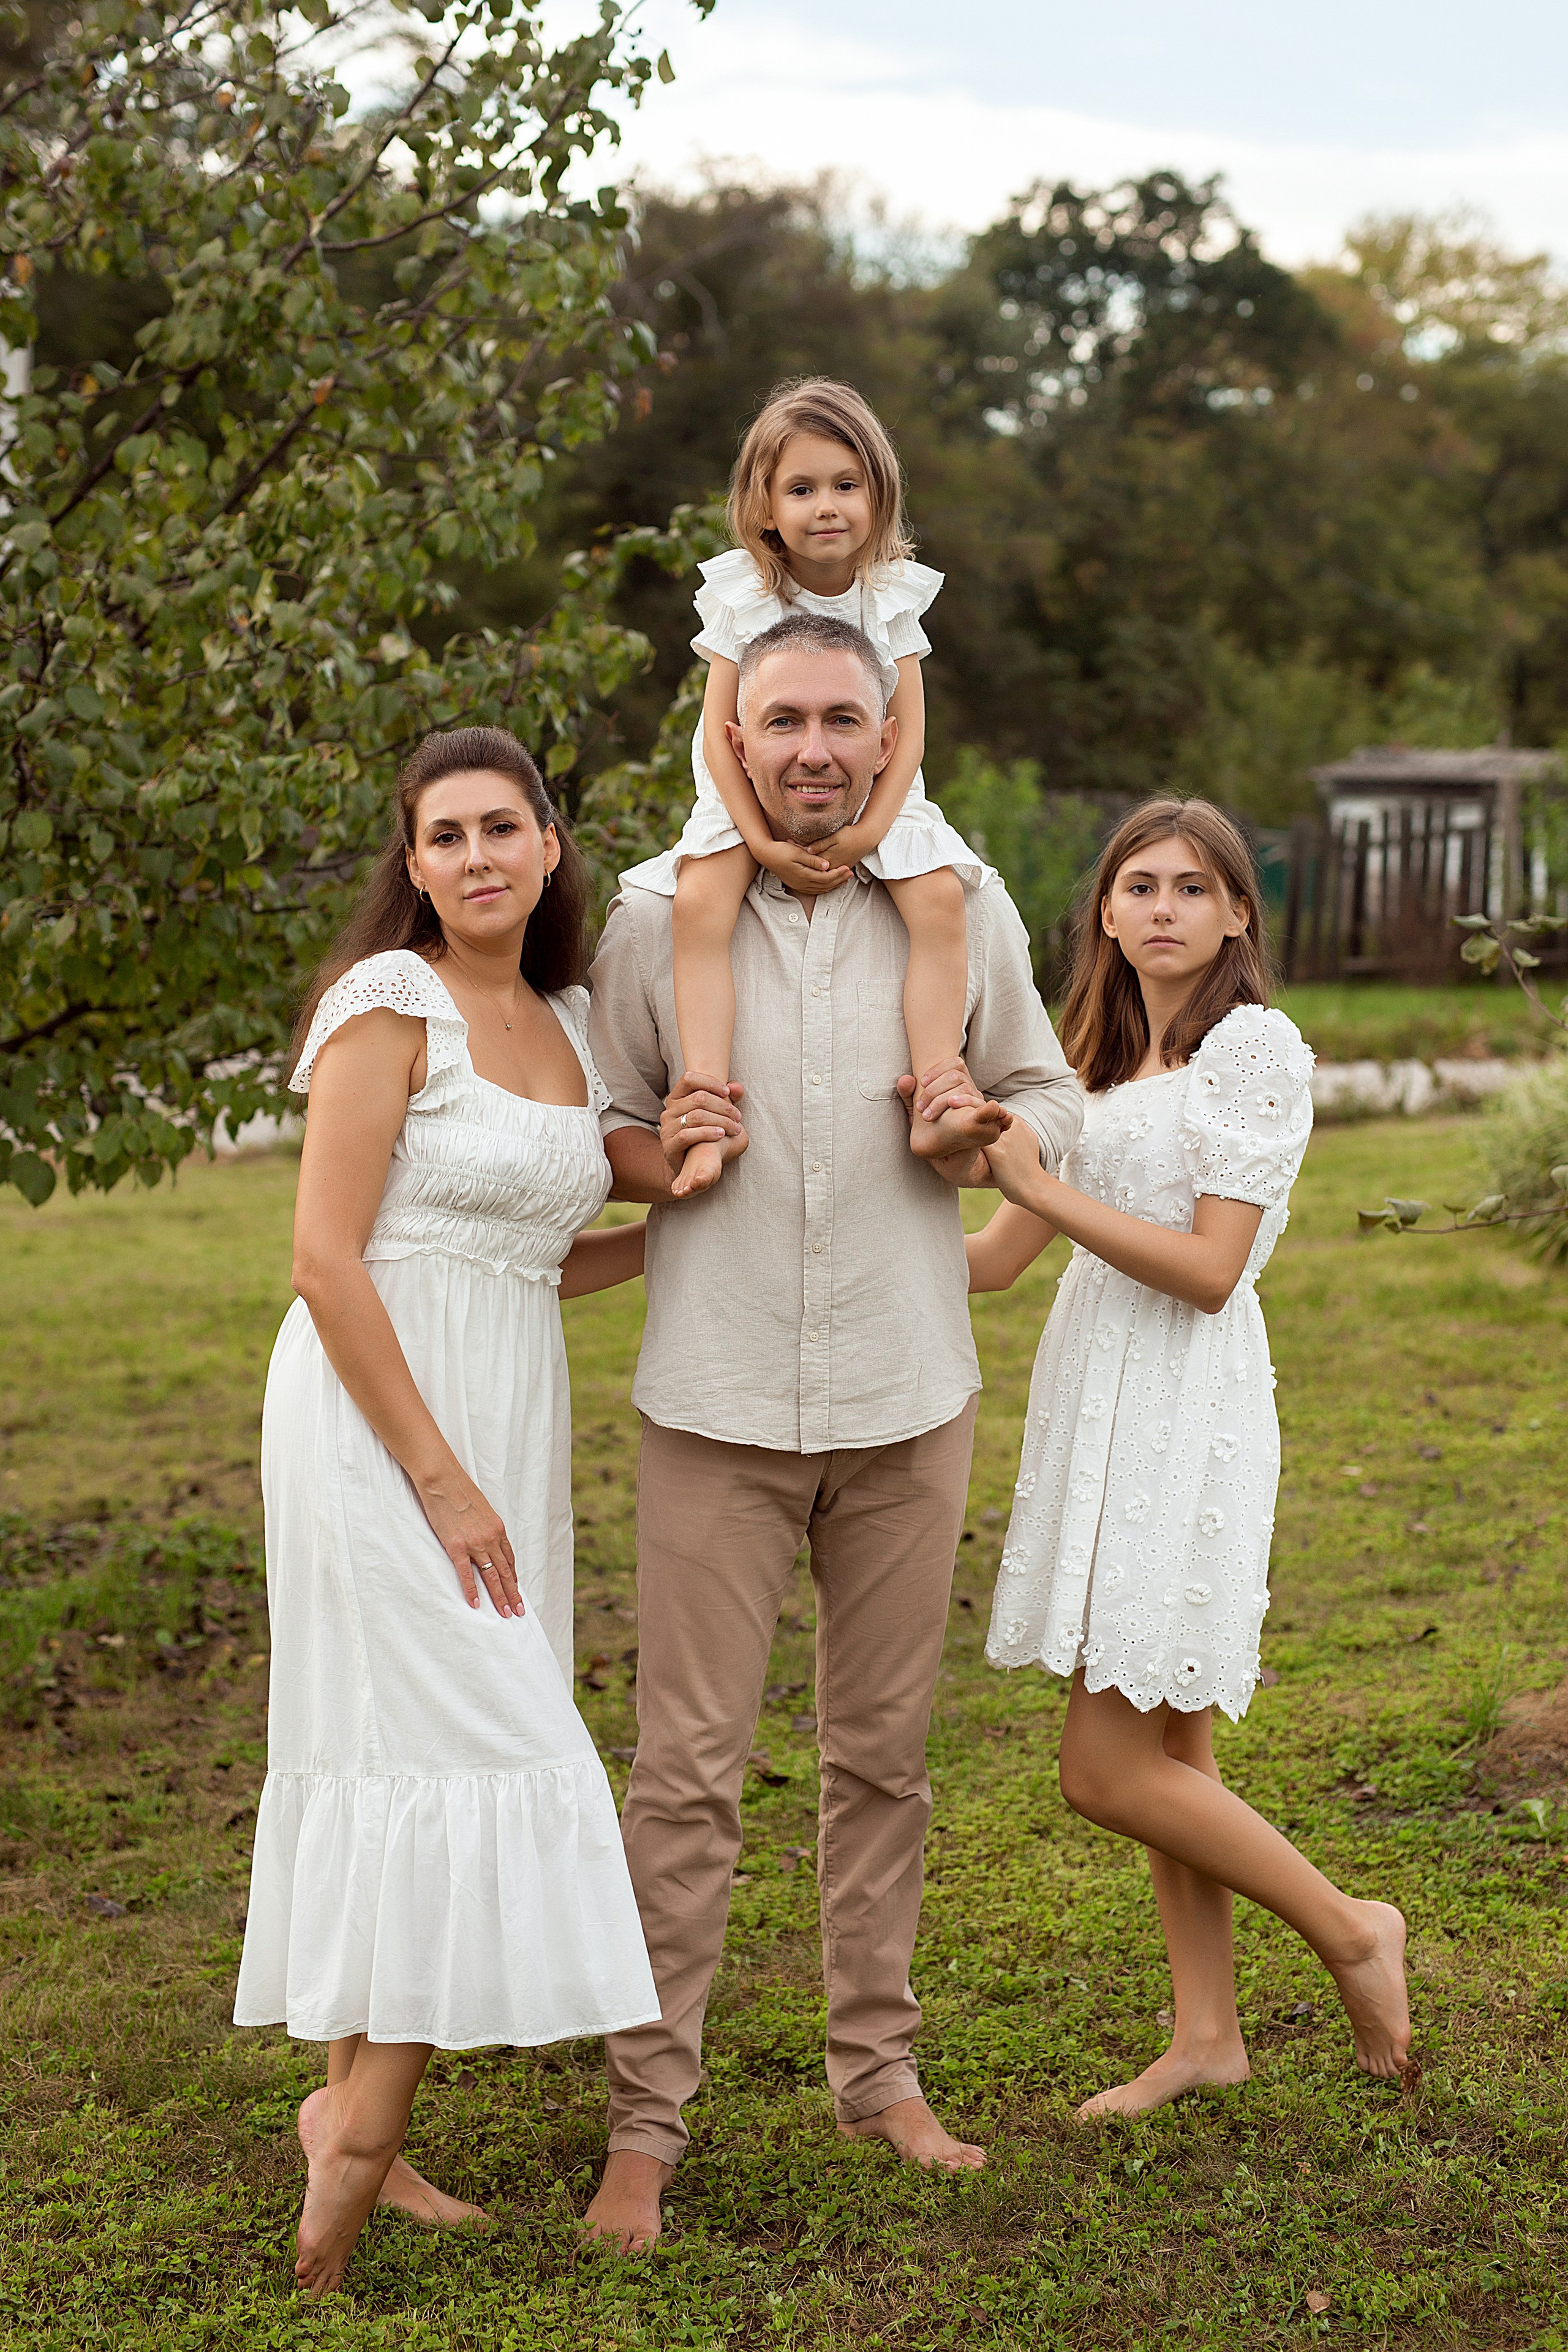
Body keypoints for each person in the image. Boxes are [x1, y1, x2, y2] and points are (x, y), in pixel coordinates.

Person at [581, 609, 1084, 2251]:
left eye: (838, 721)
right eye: (780, 715)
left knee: (883, 1762)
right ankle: (645, 2121)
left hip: (905, 1395)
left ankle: (880, 2076)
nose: (810, 746)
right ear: (737, 732)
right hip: (712, 1404)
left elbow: (1048, 1085)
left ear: (884, 737)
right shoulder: (659, 919)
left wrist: (989, 1138)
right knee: (684, 1779)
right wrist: (661, 1142)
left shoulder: (963, 900)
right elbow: (592, 1118)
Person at [233, 728, 659, 2296]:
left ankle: (350, 2105)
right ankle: (353, 2141)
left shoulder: (559, 1022)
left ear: (552, 845)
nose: (477, 856)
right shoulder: (387, 1003)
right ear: (410, 865)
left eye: (504, 827)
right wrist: (432, 1471)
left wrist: (680, 1240)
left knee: (402, 1741)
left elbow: (540, 1258)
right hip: (376, 1424)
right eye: (445, 835)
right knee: (497, 1736)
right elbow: (327, 1260)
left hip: (505, 1406)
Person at [967, 797, 1413, 2120]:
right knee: (1172, 1746)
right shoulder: (1088, 1058)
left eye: (1190, 886)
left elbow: (1213, 1271)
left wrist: (1039, 1189)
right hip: (1092, 1393)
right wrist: (832, 1231)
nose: (1160, 905)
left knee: (1105, 1770)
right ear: (1101, 911)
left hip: (1182, 1398)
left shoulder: (1251, 1049)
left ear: (1234, 915)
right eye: (1136, 884)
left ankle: (1349, 1928)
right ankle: (1205, 2034)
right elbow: (991, 1263)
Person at [619, 375, 991, 1199]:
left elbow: (912, 732)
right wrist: (757, 842)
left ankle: (937, 1090)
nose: (827, 506)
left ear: (878, 494)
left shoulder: (890, 594)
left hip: (880, 792)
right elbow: (719, 738)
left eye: (846, 485)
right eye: (803, 488)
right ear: (765, 508)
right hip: (750, 791)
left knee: (937, 903)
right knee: (698, 909)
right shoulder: (746, 596)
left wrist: (865, 837)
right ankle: (709, 1107)